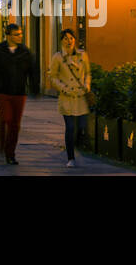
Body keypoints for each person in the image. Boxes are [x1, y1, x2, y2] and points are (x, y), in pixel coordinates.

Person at [0, 23, 39, 165]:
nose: (20, 36)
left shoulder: (25, 52)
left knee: (15, 125)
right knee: (6, 119)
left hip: (19, 92)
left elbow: (32, 71)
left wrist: (34, 88)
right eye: (16, 34)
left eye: (20, 34)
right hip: (3, 91)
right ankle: (1, 147)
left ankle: (10, 153)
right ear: (8, 36)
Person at [46, 28, 91, 168]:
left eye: (71, 38)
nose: (69, 41)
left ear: (75, 40)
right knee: (70, 127)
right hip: (67, 97)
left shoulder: (83, 55)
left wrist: (87, 85)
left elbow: (88, 73)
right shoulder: (58, 57)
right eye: (65, 38)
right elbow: (52, 77)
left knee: (82, 126)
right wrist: (64, 88)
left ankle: (76, 146)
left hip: (81, 97)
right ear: (61, 41)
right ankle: (70, 157)